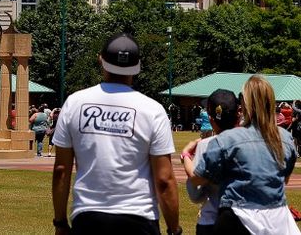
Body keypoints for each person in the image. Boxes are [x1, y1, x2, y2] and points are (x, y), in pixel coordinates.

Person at [51, 32, 181, 235]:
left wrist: (60, 222)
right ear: (138, 66)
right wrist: (174, 229)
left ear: (100, 59)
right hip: (139, 218)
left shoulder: (74, 103)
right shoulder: (153, 110)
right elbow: (164, 180)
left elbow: (61, 169)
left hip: (88, 216)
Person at [184, 75, 300, 234]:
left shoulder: (227, 140)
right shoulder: (286, 139)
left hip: (238, 219)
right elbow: (283, 179)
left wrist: (186, 157)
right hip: (278, 219)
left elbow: (198, 178)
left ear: (244, 105)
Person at [179, 89, 237, 235]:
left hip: (211, 220)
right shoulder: (249, 141)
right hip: (243, 221)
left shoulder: (206, 145)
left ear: (211, 118)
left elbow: (196, 195)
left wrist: (186, 155)